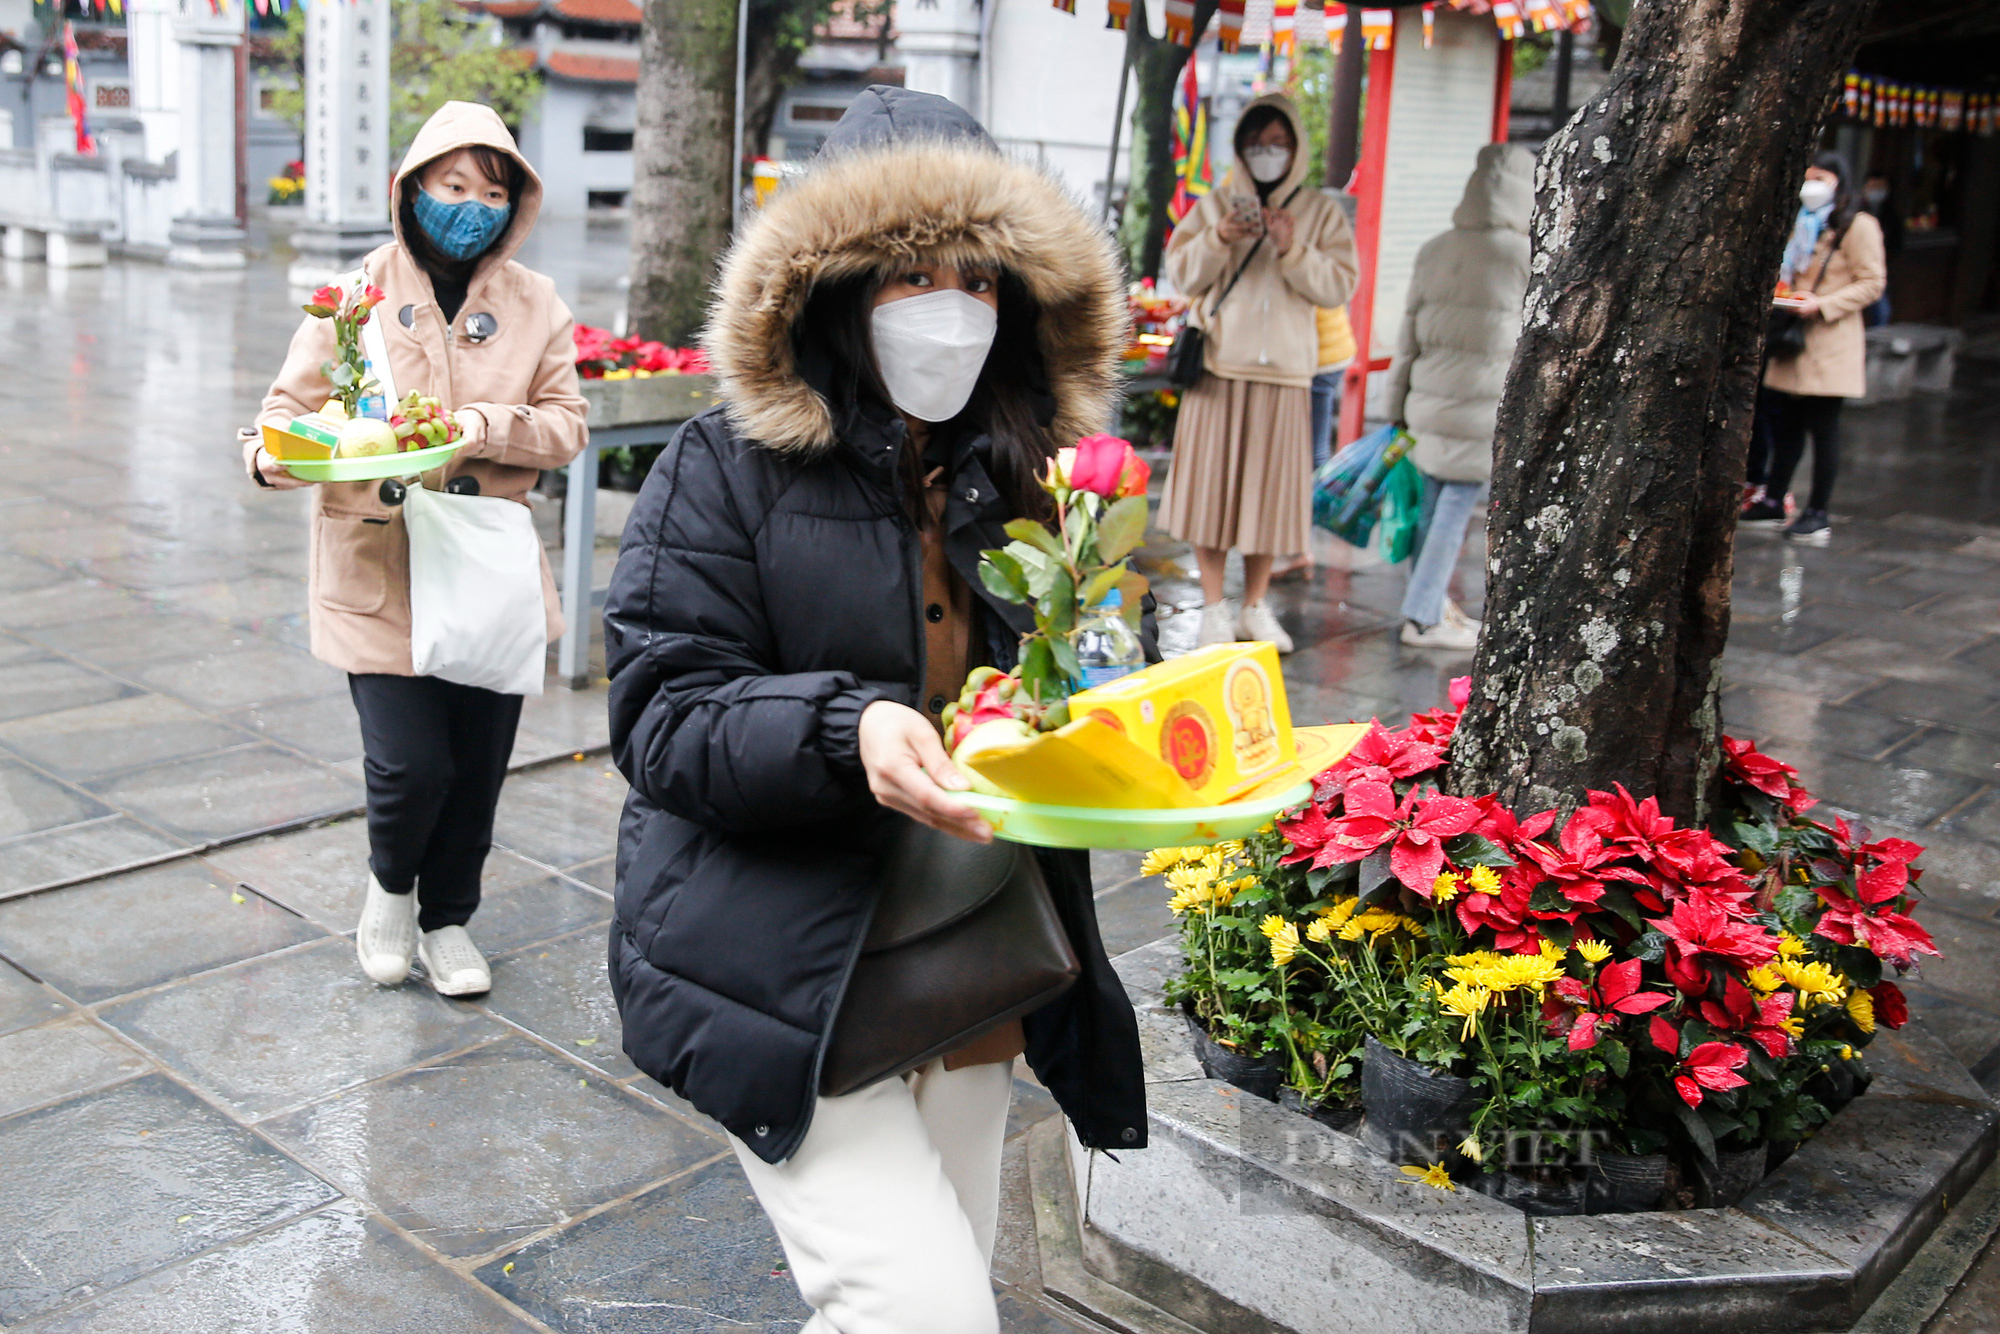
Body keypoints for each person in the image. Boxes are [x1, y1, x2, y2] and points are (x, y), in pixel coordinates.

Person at [602, 87, 1146, 1334]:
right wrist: (842, 730)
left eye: (977, 277)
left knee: (914, 1298)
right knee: (933, 1311)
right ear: (833, 287)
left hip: (973, 951)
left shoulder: (1026, 479)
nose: (946, 306)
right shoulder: (720, 467)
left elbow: (1081, 678)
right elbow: (664, 712)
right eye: (907, 277)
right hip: (784, 959)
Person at [244, 102, 588, 996]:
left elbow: (567, 428)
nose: (473, 204)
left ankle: (450, 921)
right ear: (414, 188)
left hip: (482, 570)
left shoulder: (536, 304)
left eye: (493, 188)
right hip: (379, 564)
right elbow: (284, 416)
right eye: (454, 184)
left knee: (475, 767)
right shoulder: (354, 295)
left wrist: (482, 425)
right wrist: (270, 459)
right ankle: (392, 891)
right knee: (409, 765)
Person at [1159, 93, 1359, 654]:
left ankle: (1254, 606)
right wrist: (1220, 237)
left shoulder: (1319, 211)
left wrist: (1292, 249)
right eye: (1256, 143)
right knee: (1211, 494)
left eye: (1277, 143)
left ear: (1295, 147)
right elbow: (1182, 273)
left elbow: (1339, 286)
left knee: (1271, 500)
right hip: (1220, 366)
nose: (1266, 153)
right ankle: (1216, 608)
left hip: (1288, 375)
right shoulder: (1217, 202)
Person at [1382, 143, 1535, 652]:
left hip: (1428, 400)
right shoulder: (1522, 256)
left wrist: (1395, 404)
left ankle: (1429, 607)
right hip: (1482, 408)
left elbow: (1407, 339)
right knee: (1453, 510)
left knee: (1430, 506)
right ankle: (1423, 617)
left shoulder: (1436, 248)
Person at [1740, 151, 1885, 545]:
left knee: (1824, 428)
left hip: (1830, 340)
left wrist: (1825, 304)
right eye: (1807, 176)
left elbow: (1873, 282)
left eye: (1819, 177)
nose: (1811, 185)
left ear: (1839, 181)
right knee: (1786, 425)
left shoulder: (1858, 225)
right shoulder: (1801, 224)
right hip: (1791, 338)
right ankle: (1773, 498)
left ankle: (1817, 512)